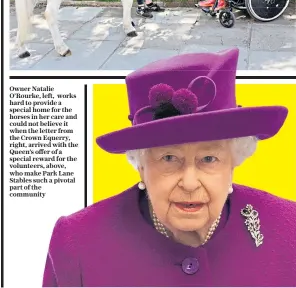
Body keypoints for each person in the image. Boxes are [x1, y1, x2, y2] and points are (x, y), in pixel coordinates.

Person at [42, 48, 296, 287]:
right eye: (169, 158)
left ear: (234, 161)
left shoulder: (289, 227)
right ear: (140, 165)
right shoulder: (77, 241)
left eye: (208, 159)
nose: (189, 183)